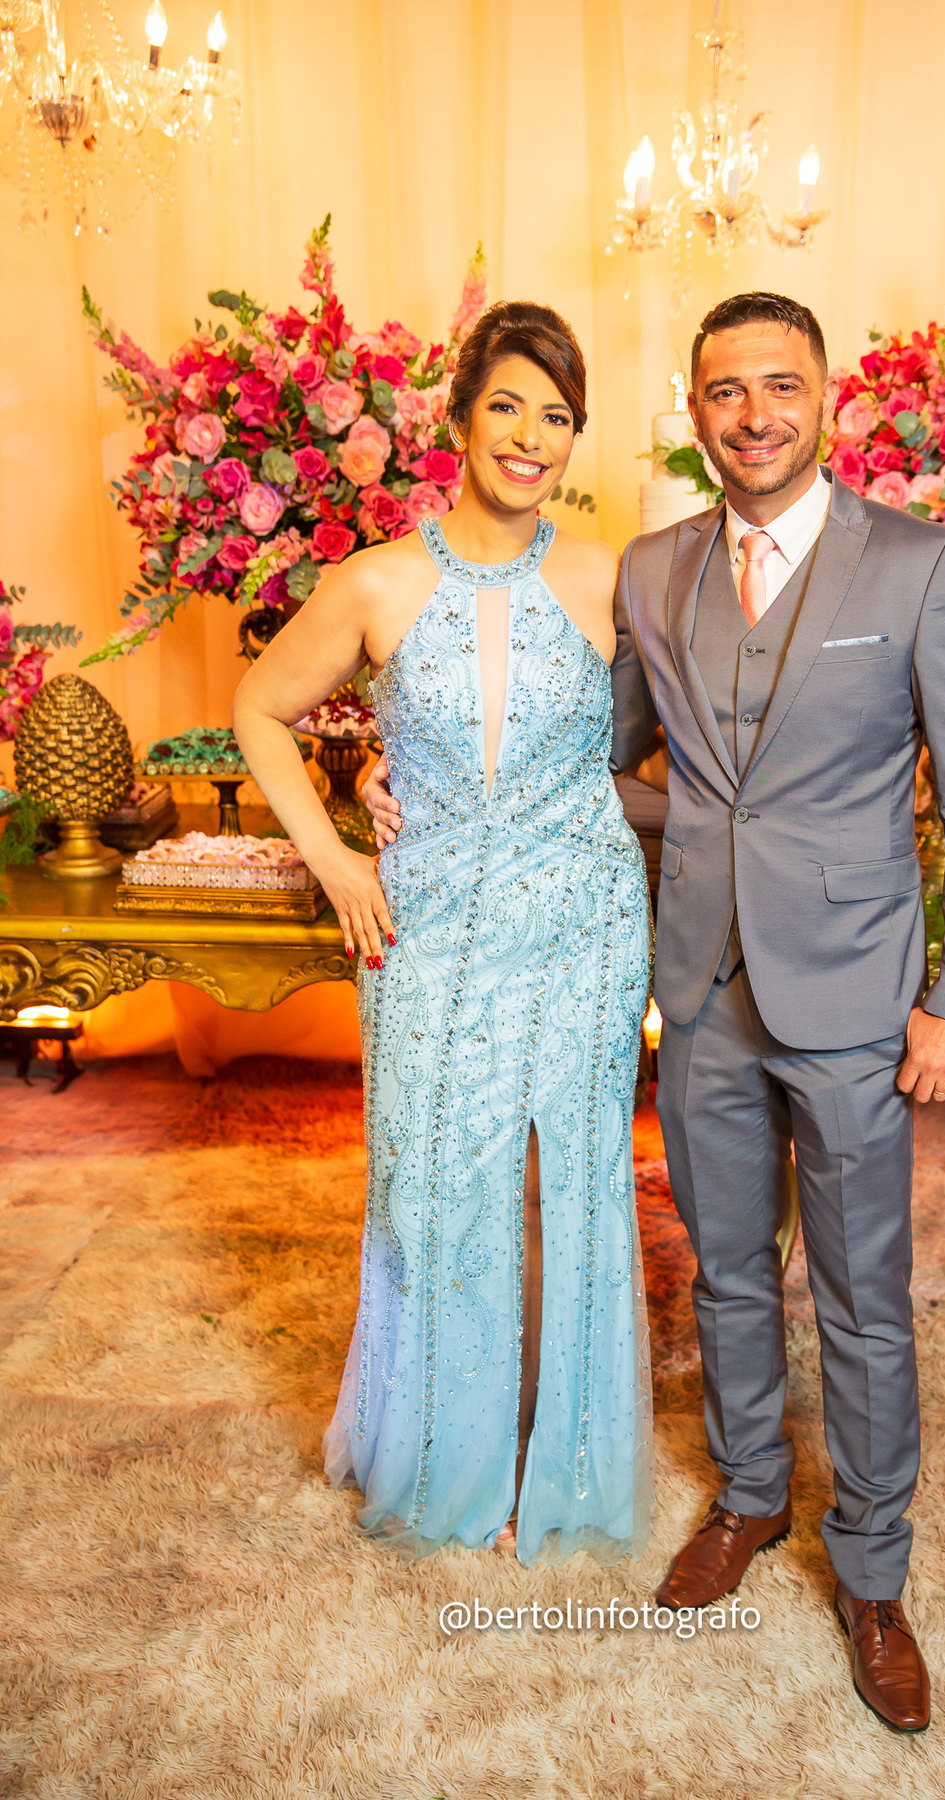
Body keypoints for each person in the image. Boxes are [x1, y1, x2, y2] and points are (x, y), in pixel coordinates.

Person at [598, 291, 945, 1733]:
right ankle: (751, 1495)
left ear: (827, 398)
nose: (754, 414)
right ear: (694, 407)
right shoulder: (652, 569)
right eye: (726, 390)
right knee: (724, 1269)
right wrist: (425, 779)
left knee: (862, 1297)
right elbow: (612, 766)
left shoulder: (917, 565)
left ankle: (875, 1574)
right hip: (703, 985)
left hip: (853, 994)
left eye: (781, 385)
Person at [233, 301, 653, 1567]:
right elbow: (259, 709)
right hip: (425, 929)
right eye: (507, 406)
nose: (531, 436)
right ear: (460, 419)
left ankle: (557, 1462)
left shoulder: (613, 577)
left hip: (583, 921)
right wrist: (337, 851)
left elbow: (658, 749)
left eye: (557, 416)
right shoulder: (376, 581)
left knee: (572, 1188)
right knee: (432, 1184)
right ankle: (443, 1455)